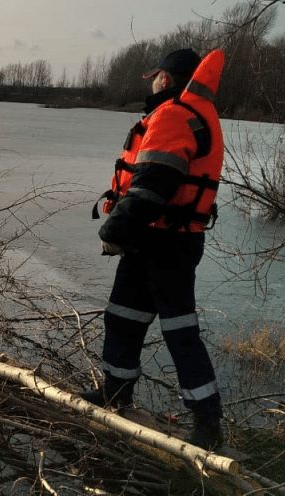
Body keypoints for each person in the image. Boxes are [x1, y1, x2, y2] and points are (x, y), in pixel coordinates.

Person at [84, 48, 226, 450]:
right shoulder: (192, 112)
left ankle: (207, 423)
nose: (152, 82)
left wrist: (114, 228)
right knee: (123, 317)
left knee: (180, 331)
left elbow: (153, 185)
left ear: (168, 77)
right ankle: (116, 391)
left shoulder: (174, 115)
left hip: (166, 240)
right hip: (157, 238)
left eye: (156, 76)